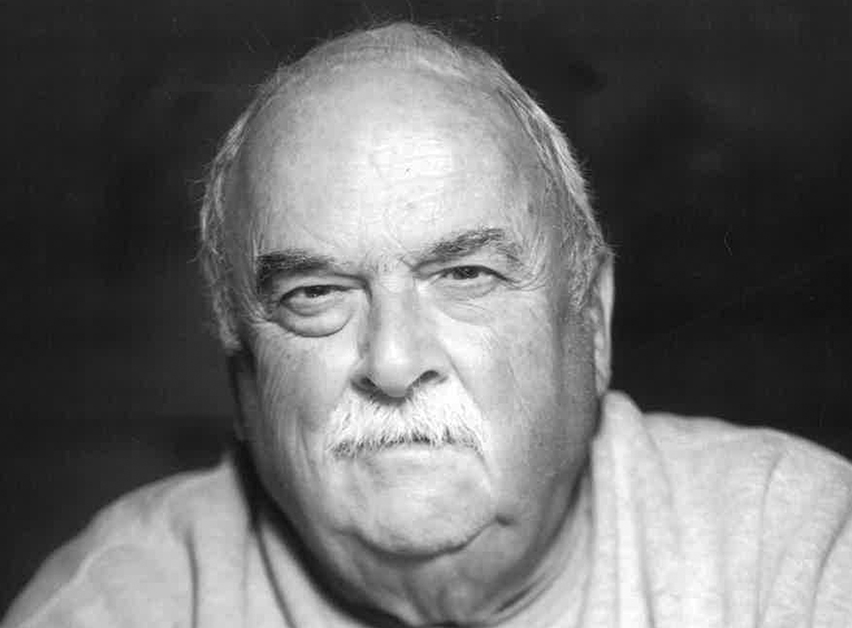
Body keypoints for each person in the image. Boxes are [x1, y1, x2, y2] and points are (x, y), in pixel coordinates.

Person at [5, 21, 852, 628]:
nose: (394, 361)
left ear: (591, 325)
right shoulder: (110, 605)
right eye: (315, 293)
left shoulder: (800, 557)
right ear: (243, 376)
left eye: (465, 275)